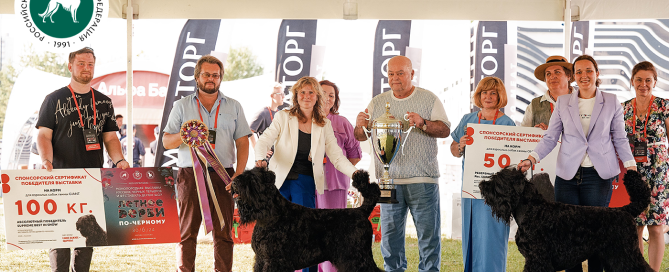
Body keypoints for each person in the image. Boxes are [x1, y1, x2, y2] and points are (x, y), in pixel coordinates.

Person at [518, 54, 637, 272]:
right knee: (567, 239)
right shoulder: (563, 102)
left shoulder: (611, 101)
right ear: (574, 76)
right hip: (567, 176)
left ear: (597, 73)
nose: (584, 76)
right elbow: (551, 137)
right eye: (579, 71)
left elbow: (619, 137)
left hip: (598, 175)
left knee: (597, 237)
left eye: (588, 71)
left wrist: (630, 165)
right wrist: (531, 158)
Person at [35, 47, 130, 272]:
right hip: (59, 177)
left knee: (88, 236)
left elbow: (110, 138)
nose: (86, 68)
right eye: (81, 64)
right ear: (70, 66)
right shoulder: (54, 99)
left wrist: (119, 161)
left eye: (90, 64)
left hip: (91, 178)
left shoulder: (104, 102)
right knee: (60, 237)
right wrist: (46, 160)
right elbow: (43, 135)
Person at [354, 55, 451, 272]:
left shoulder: (429, 99)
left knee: (428, 236)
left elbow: (445, 130)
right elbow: (361, 135)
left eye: (400, 73)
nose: (395, 78)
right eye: (391, 74)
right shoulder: (377, 101)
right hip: (388, 181)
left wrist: (423, 123)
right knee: (390, 237)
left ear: (412, 74)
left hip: (423, 180)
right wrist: (359, 126)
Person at [254, 76, 360, 272]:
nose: (306, 96)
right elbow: (264, 140)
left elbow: (336, 157)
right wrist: (260, 159)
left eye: (311, 92)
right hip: (278, 183)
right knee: (276, 239)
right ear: (296, 95)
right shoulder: (283, 116)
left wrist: (356, 174)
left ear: (317, 96)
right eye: (302, 92)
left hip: (305, 183)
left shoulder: (324, 124)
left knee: (307, 239)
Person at [162, 55, 251, 272]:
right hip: (190, 174)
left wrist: (238, 174)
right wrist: (186, 135)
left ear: (220, 78)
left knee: (224, 233)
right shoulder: (181, 106)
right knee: (187, 233)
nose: (211, 79)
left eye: (215, 75)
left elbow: (242, 142)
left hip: (224, 175)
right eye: (206, 74)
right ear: (197, 77)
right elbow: (166, 142)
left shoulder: (234, 106)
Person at [450, 76, 515, 272]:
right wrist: (459, 146)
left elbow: (512, 158)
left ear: (499, 96)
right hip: (471, 188)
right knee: (472, 234)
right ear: (478, 96)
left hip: (497, 191)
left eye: (493, 93)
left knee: (492, 235)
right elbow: (453, 150)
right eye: (484, 93)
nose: (488, 96)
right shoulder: (467, 120)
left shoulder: (507, 123)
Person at [622, 61, 669, 271]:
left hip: (659, 174)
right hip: (633, 172)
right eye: (639, 79)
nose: (643, 84)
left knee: (657, 228)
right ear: (632, 81)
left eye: (648, 80)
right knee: (635, 227)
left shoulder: (664, 106)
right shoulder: (623, 108)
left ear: (655, 82)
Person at [316, 80, 362, 272]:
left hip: (335, 186)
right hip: (310, 184)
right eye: (323, 93)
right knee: (311, 233)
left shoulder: (342, 122)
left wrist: (339, 169)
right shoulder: (304, 120)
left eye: (332, 95)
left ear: (335, 100)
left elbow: (355, 154)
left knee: (334, 233)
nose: (327, 97)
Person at [521, 55, 574, 129]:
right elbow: (523, 133)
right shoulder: (534, 105)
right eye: (548, 74)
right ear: (545, 79)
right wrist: (535, 132)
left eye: (557, 72)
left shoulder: (581, 101)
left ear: (568, 76)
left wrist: (551, 132)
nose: (552, 77)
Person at [249, 82, 285, 149]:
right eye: (281, 94)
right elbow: (249, 131)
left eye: (283, 94)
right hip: (266, 158)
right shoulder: (263, 113)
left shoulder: (280, 113)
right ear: (272, 96)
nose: (283, 96)